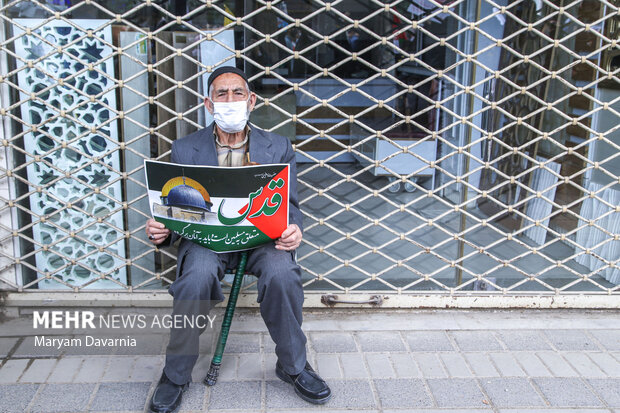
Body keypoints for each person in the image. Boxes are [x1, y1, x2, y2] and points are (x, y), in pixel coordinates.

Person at [145, 66, 332, 413]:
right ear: (208, 103)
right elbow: (175, 204)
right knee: (195, 279)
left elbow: (290, 204)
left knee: (282, 275)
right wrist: (163, 229)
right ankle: (176, 374)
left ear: (251, 100)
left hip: (261, 240)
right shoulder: (184, 149)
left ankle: (293, 366)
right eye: (221, 94)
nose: (230, 100)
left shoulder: (278, 146)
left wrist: (295, 228)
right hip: (205, 240)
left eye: (237, 93)